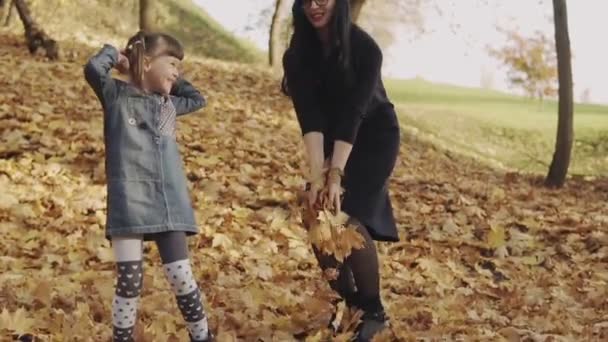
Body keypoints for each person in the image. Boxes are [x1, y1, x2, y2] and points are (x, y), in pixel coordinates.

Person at [282, 0, 401, 340]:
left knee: (345, 215)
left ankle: (373, 312)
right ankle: (349, 305)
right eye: (307, 0)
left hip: (374, 136)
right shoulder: (297, 55)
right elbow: (311, 118)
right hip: (331, 140)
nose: (314, 6)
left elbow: (355, 112)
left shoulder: (365, 49)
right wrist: (318, 176)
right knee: (317, 212)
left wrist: (335, 175)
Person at [84, 31, 214, 342]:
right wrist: (119, 57)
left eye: (178, 67)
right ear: (146, 63)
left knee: (182, 278)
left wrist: (170, 79)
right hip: (130, 201)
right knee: (129, 282)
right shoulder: (115, 95)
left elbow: (198, 99)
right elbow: (92, 69)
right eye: (171, 63)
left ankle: (204, 338)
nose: (176, 71)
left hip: (169, 203)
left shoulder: (167, 104)